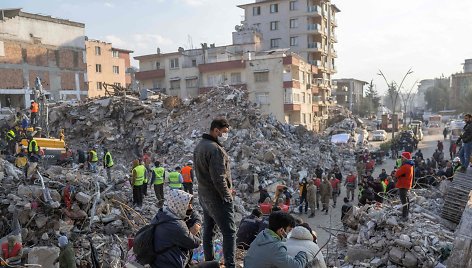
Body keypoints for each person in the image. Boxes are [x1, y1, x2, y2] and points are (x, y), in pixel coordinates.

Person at [193, 118, 236, 268]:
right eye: (224, 132)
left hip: (204, 196)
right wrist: (227, 196)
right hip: (217, 198)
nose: (225, 135)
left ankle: (209, 262)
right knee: (229, 232)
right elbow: (219, 178)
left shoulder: (200, 146)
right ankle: (230, 265)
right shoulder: (215, 149)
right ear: (216, 130)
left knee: (208, 232)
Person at [151, 190, 210, 268]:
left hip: (161, 262)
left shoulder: (162, 215)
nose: (190, 207)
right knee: (214, 265)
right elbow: (195, 243)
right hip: (170, 264)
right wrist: (196, 227)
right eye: (188, 204)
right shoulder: (176, 225)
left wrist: (195, 220)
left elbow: (192, 214)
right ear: (180, 205)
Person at [244, 211, 308, 268]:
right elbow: (296, 266)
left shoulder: (262, 235)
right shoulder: (276, 247)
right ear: (281, 230)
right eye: (289, 230)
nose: (289, 233)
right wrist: (302, 254)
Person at [395, 152, 414, 221]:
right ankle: (406, 214)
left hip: (403, 185)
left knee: (404, 201)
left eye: (402, 157)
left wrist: (399, 167)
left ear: (405, 158)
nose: (401, 159)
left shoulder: (405, 166)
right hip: (406, 184)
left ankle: (404, 216)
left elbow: (397, 174)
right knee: (406, 200)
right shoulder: (410, 165)